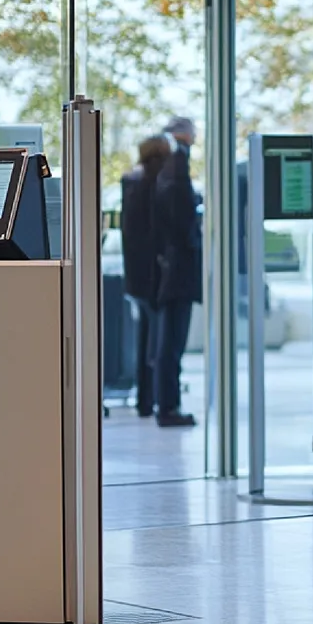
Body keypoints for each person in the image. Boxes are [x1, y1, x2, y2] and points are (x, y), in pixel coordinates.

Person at [152, 117, 202, 428]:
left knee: (167, 343)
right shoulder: (176, 166)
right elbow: (182, 220)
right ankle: (168, 406)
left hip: (168, 272)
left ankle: (166, 403)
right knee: (172, 343)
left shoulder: (162, 169)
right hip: (177, 275)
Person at [120, 135, 172, 419]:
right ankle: (156, 399)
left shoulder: (131, 182)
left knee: (145, 342)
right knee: (158, 343)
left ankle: (145, 400)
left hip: (136, 276)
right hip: (152, 276)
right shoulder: (154, 182)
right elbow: (156, 233)